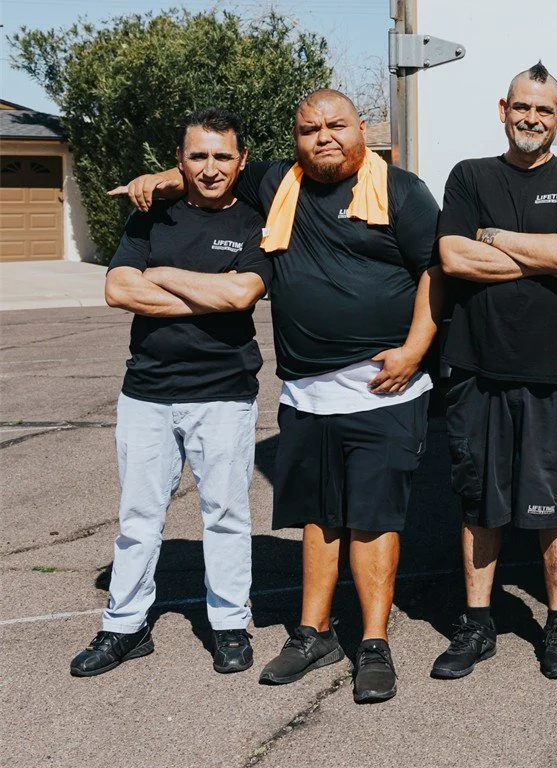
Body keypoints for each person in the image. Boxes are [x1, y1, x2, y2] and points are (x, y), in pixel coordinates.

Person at [117, 89, 443, 703]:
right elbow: (209, 171)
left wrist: (415, 349)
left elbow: (435, 270)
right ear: (294, 139)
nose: (324, 136)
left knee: (372, 520)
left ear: (361, 131)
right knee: (317, 519)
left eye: (337, 125)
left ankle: (373, 642)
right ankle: (312, 633)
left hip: (382, 386)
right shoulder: (277, 181)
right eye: (309, 128)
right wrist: (162, 178)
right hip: (306, 391)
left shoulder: (402, 190)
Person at [72, 108, 269, 678]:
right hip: (147, 395)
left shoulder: (257, 221)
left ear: (241, 162)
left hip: (223, 394)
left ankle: (230, 625)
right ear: (179, 161)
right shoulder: (150, 217)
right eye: (199, 156)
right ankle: (124, 628)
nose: (211, 168)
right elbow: (116, 289)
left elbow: (243, 295)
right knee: (138, 516)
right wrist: (211, 292)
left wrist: (157, 277)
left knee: (227, 515)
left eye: (223, 156)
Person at [431, 62, 557, 681]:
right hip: (478, 366)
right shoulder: (469, 176)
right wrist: (540, 257)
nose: (531, 118)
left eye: (543, 110)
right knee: (479, 500)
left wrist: (496, 238)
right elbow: (452, 255)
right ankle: (477, 623)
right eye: (521, 107)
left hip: (554, 370)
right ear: (503, 108)